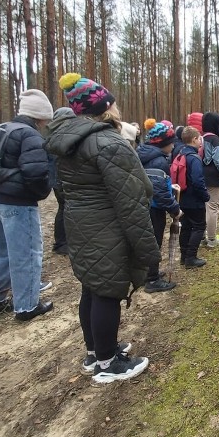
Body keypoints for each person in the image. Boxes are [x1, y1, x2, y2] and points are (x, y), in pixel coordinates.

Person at [46, 73, 159, 383]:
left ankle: (96, 351)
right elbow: (133, 197)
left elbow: (64, 190)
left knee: (92, 286)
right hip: (107, 226)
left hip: (81, 224)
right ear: (106, 107)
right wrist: (149, 250)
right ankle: (108, 365)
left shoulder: (69, 140)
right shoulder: (108, 142)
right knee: (108, 291)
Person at [0, 89, 54, 321]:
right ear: (40, 116)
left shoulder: (1, 128)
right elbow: (36, 172)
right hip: (17, 203)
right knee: (26, 253)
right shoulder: (29, 135)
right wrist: (40, 193)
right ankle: (27, 305)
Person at [137, 119, 179, 293]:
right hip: (154, 209)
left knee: (147, 241)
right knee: (155, 241)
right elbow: (160, 193)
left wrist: (170, 186)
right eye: (172, 143)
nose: (173, 147)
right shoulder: (159, 161)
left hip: (142, 206)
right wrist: (175, 209)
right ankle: (152, 280)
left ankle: (148, 273)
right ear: (164, 144)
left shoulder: (143, 154)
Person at [177, 127, 210, 267]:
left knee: (185, 226)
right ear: (194, 139)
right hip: (194, 199)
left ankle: (184, 256)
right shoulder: (194, 158)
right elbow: (197, 181)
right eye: (199, 138)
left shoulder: (179, 154)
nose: (200, 141)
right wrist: (205, 196)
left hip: (182, 197)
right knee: (199, 226)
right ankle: (191, 257)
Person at [200, 112, 219, 246]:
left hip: (200, 176)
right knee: (213, 207)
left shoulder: (201, 138)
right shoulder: (214, 140)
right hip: (213, 178)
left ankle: (201, 236)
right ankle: (211, 239)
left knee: (202, 208)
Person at [48, 107, 74, 255]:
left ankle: (63, 241)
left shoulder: (53, 134)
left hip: (59, 178)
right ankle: (61, 243)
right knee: (64, 208)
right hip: (61, 179)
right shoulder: (60, 135)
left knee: (63, 208)